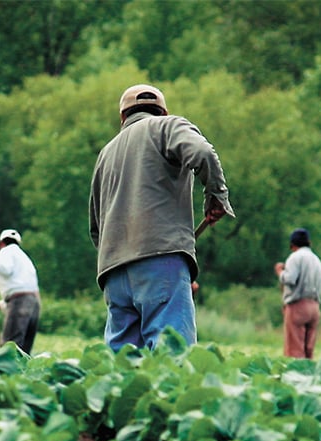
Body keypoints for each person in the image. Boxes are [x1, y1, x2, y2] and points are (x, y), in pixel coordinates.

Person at [89, 84, 235, 351]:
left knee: (123, 369)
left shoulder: (105, 154)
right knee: (172, 357)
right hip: (161, 261)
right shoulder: (167, 126)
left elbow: (96, 226)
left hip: (114, 271)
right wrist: (216, 195)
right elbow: (202, 153)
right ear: (163, 111)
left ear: (123, 117)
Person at [0, 229, 41, 353]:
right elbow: (23, 289)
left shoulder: (6, 251)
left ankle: (7, 372)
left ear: (1, 243)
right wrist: (0, 305)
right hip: (35, 303)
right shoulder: (24, 258)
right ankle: (23, 372)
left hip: (20, 302)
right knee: (24, 350)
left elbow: (6, 269)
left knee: (10, 346)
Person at [274, 228, 321, 359]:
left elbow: (290, 279)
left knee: (295, 351)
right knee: (309, 351)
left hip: (298, 306)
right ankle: (311, 377)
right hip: (314, 307)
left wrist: (280, 272)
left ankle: (297, 379)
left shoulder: (295, 257)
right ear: (309, 243)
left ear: (292, 245)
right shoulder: (317, 260)